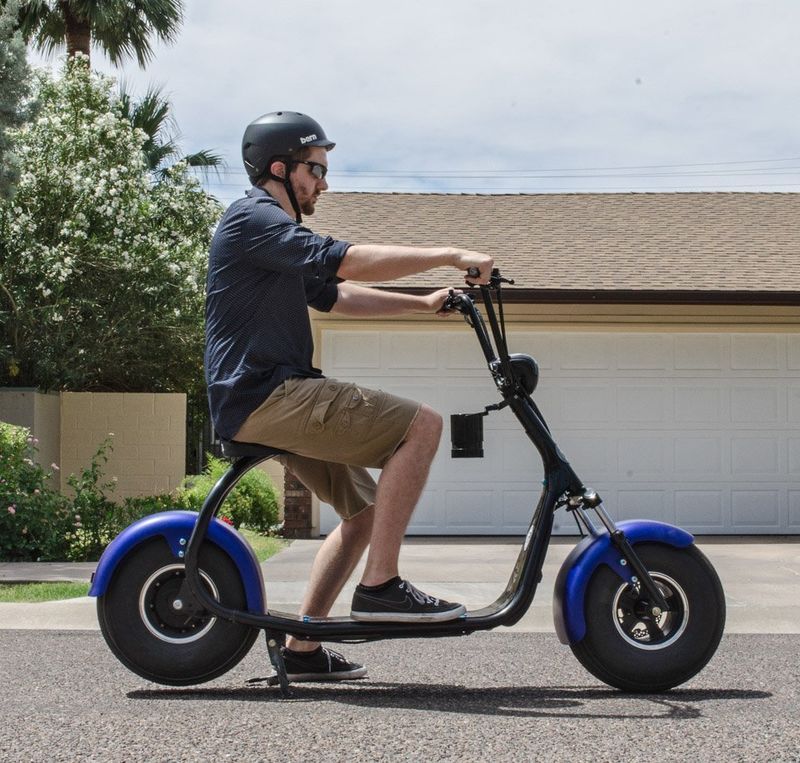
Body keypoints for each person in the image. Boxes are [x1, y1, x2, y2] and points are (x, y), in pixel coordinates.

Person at [204, 110, 494, 682]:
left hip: (266, 398)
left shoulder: (274, 240)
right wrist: (450, 253)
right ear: (281, 168)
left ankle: (301, 650)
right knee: (424, 426)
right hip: (267, 394)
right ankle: (382, 586)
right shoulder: (254, 219)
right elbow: (345, 257)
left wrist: (423, 302)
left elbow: (335, 295)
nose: (324, 183)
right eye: (317, 169)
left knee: (362, 515)